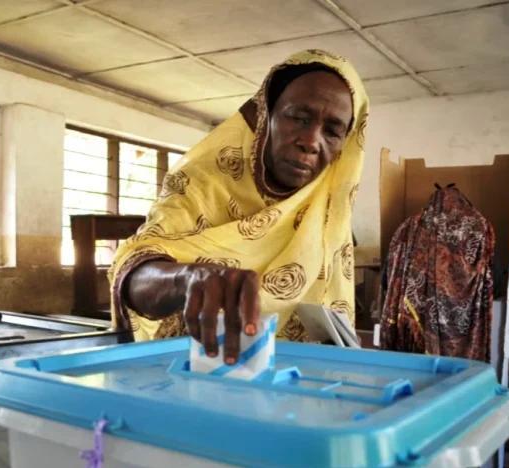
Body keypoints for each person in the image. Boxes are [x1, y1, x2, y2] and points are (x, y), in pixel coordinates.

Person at [109, 49, 369, 365]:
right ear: (266, 116)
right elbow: (134, 272)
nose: (311, 141)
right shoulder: (202, 182)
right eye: (298, 118)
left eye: (332, 131)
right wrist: (188, 278)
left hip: (295, 381)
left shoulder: (327, 206)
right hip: (196, 369)